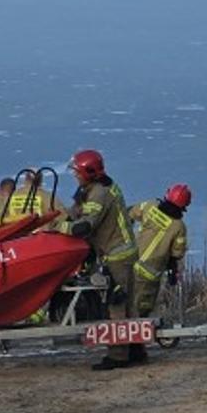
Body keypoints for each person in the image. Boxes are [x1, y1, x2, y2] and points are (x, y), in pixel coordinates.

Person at [62, 149, 139, 370]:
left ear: (88, 173)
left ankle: (118, 355)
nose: (75, 175)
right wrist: (62, 215)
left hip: (116, 254)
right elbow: (78, 210)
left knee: (116, 305)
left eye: (77, 172)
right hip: (122, 251)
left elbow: (85, 226)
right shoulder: (99, 186)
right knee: (129, 306)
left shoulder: (99, 194)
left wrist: (60, 227)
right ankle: (136, 351)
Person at [127, 183, 191, 363]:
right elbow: (177, 252)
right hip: (150, 275)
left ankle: (130, 349)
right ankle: (136, 351)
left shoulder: (150, 207)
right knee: (141, 312)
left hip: (130, 265)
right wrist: (172, 268)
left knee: (127, 307)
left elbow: (129, 213)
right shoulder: (179, 226)